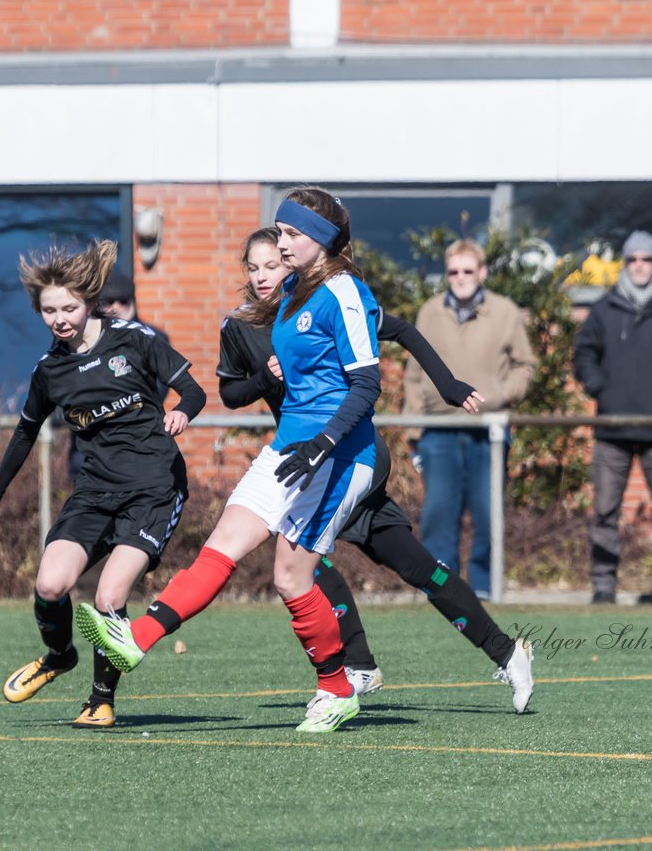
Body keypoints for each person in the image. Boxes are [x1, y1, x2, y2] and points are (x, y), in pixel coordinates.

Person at [76, 187, 384, 733]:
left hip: (337, 453)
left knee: (291, 578)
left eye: (291, 233)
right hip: (288, 449)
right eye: (279, 232)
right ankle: (137, 640)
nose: (282, 242)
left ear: (325, 238)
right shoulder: (290, 295)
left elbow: (366, 383)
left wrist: (325, 442)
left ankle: (337, 687)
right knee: (221, 547)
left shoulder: (344, 292)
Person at [218, 226, 534, 708]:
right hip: (305, 463)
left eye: (275, 263)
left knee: (302, 555)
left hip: (350, 454)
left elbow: (402, 329)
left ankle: (362, 665)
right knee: (410, 566)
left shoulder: (330, 302)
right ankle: (504, 652)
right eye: (254, 267)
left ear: (292, 264)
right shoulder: (241, 328)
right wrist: (264, 377)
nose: (264, 275)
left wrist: (447, 384)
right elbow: (230, 395)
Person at [0, 239, 207, 729]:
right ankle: (59, 656)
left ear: (89, 302)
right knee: (50, 582)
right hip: (96, 489)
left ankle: (101, 699)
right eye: (49, 310)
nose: (59, 318)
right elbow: (24, 433)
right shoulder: (50, 371)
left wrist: (183, 410)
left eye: (69, 308)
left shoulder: (134, 340)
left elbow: (195, 390)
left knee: (108, 597)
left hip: (154, 488)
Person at [402, 239, 536, 597]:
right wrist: (413, 427)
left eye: (467, 270)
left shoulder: (505, 311)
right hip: (438, 430)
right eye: (453, 271)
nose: (460, 278)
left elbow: (525, 365)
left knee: (488, 514)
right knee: (437, 516)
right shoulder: (430, 312)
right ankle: (441, 592)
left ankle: (485, 590)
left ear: (482, 273)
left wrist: (500, 397)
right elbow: (414, 374)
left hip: (487, 430)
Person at [573, 231, 652, 605]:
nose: (640, 266)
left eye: (647, 259)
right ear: (625, 263)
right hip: (612, 428)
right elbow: (584, 354)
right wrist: (599, 386)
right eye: (633, 259)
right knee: (605, 511)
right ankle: (603, 586)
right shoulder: (605, 308)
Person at [66, 270, 170, 482]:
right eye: (106, 301)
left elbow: (158, 390)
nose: (113, 307)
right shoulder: (84, 343)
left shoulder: (152, 339)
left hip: (137, 449)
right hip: (91, 454)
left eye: (120, 300)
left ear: (131, 300)